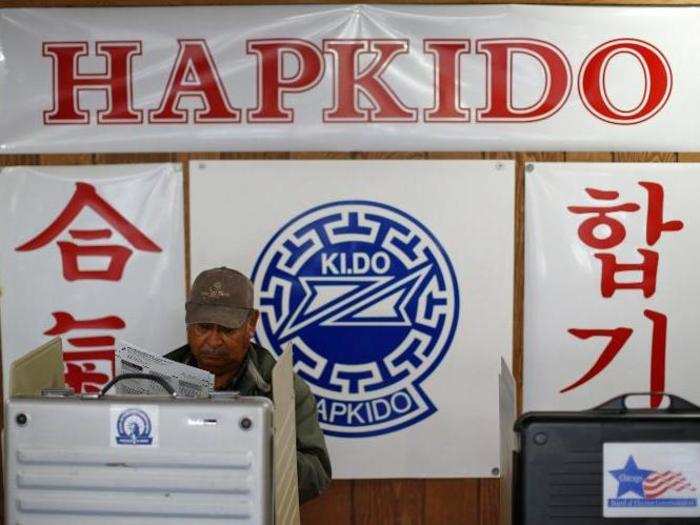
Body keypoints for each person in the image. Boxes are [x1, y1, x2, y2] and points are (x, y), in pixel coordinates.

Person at [165, 266, 331, 504]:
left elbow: (317, 475)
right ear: (188, 320)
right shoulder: (156, 379)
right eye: (202, 327)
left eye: (226, 329)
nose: (212, 341)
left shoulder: (282, 388)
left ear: (251, 323)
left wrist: (254, 447)